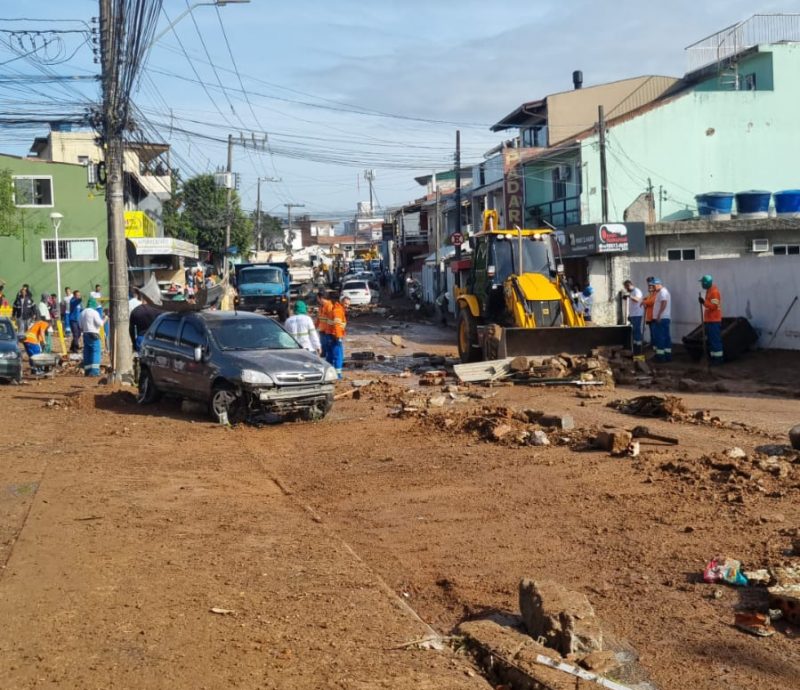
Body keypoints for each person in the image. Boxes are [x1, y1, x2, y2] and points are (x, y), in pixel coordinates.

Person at [699, 274, 724, 365]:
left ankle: (718, 359)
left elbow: (713, 306)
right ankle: (714, 357)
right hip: (710, 320)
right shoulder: (709, 291)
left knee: (715, 340)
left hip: (714, 320)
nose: (701, 285)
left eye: (702, 283)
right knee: (711, 340)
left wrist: (704, 302)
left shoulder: (714, 292)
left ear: (706, 283)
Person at [80, 297, 106, 376]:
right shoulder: (94, 312)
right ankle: (94, 371)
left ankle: (87, 371)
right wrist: (105, 319)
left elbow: (80, 325)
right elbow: (100, 324)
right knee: (96, 351)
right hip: (94, 333)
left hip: (85, 334)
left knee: (87, 351)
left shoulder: (82, 312)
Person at [326, 294, 350, 379]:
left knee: (330, 356)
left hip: (330, 335)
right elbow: (337, 325)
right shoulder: (338, 311)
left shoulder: (337, 309)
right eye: (346, 303)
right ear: (341, 302)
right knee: (338, 356)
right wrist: (339, 337)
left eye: (348, 304)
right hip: (335, 336)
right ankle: (338, 375)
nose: (347, 305)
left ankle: (329, 374)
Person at [623, 279, 645, 360]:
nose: (626, 289)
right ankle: (635, 347)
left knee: (636, 330)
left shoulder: (637, 291)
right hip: (633, 314)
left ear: (630, 285)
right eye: (625, 287)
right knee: (634, 331)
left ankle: (638, 348)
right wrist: (629, 314)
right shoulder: (631, 292)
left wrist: (629, 296)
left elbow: (637, 300)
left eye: (627, 287)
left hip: (637, 314)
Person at [652, 279, 672, 363]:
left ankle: (661, 357)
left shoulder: (662, 292)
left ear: (658, 284)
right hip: (665, 318)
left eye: (653, 285)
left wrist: (659, 315)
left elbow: (664, 303)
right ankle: (667, 356)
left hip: (662, 318)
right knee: (666, 337)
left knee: (660, 337)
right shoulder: (662, 292)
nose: (653, 287)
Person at [315, 289, 333, 360]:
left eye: (317, 298)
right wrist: (313, 328)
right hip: (322, 332)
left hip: (328, 333)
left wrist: (329, 332)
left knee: (328, 350)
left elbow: (331, 321)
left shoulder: (329, 307)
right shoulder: (321, 307)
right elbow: (318, 319)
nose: (317, 300)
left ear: (321, 298)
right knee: (323, 351)